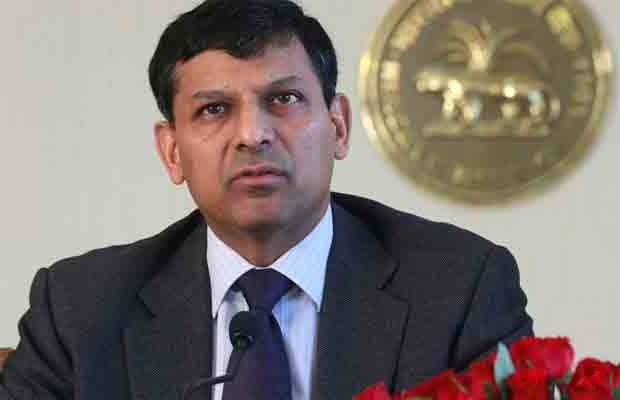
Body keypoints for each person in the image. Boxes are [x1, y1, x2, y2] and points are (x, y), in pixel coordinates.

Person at [0, 0, 533, 399]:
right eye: (214, 109)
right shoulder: (80, 309)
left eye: (284, 99)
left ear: (339, 126)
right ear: (172, 151)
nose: (252, 134)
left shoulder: (458, 290)